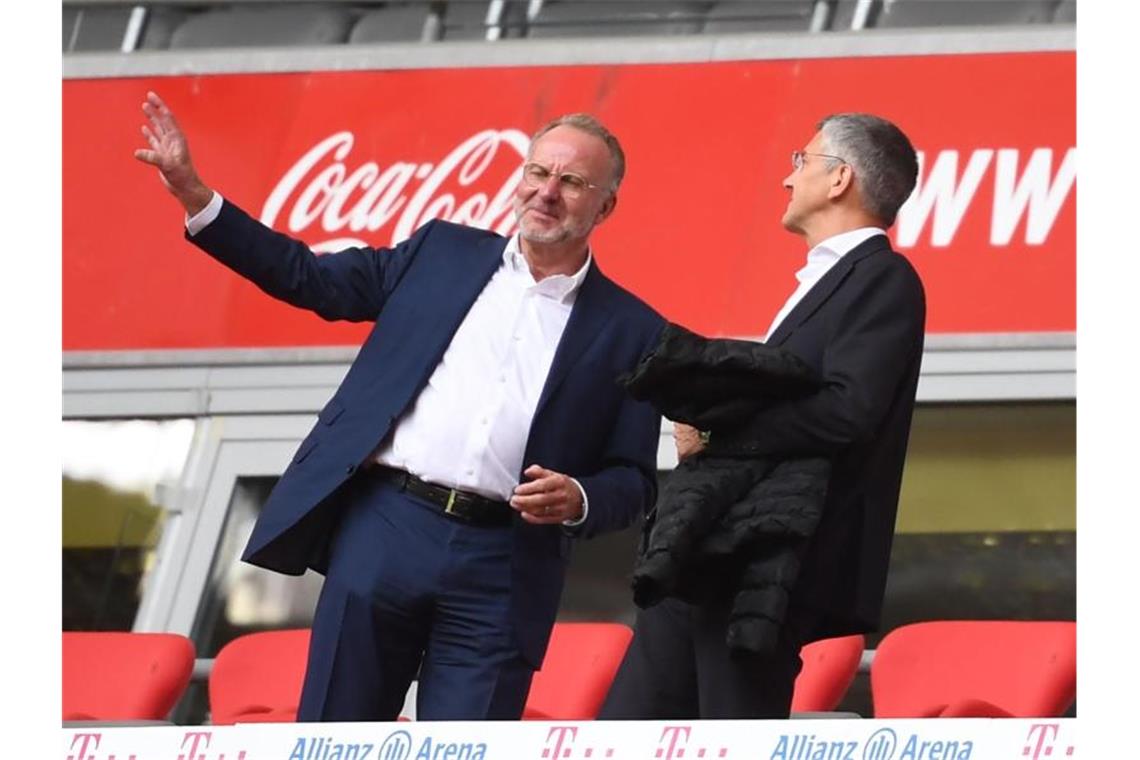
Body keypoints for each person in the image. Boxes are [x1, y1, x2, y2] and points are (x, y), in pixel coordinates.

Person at [134, 92, 664, 721]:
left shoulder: (635, 329)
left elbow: (634, 479)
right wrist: (198, 198)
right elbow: (309, 276)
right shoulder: (439, 253)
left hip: (506, 562)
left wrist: (579, 497)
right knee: (337, 732)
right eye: (537, 172)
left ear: (606, 204)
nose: (547, 192)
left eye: (572, 181)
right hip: (387, 527)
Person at [600, 113, 926, 719]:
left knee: (733, 730)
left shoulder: (884, 277)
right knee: (627, 729)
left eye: (801, 161)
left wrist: (720, 430)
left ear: (839, 179)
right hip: (704, 551)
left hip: (768, 566)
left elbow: (847, 412)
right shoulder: (824, 279)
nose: (787, 178)